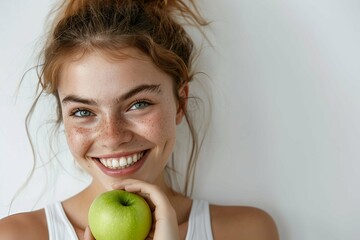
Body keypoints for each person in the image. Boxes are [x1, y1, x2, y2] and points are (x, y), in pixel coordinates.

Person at [0, 0, 279, 239]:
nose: (112, 137)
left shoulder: (246, 231)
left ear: (180, 102)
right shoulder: (16, 235)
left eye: (138, 104)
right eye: (84, 112)